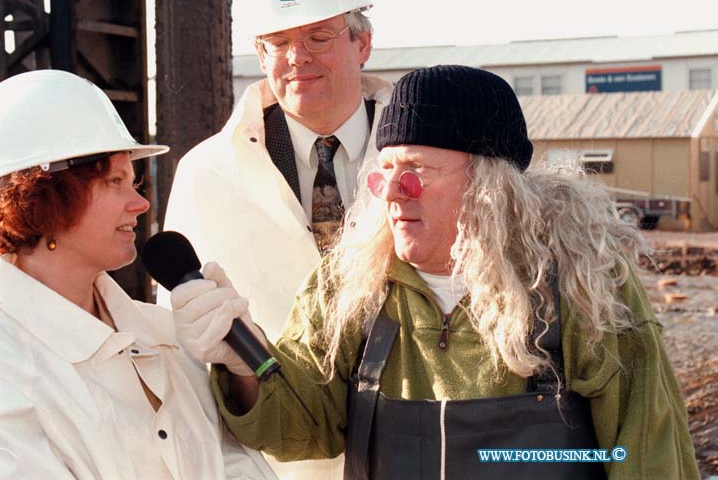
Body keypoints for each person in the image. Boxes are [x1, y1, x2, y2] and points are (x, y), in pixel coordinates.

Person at [171, 65, 699, 479]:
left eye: (417, 172)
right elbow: (302, 426)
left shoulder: (580, 283)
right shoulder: (352, 285)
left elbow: (648, 456)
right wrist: (241, 362)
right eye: (385, 173)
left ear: (491, 188)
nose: (393, 194)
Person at [0, 70, 275, 479]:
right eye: (115, 181)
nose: (139, 203)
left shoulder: (166, 337)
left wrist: (243, 377)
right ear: (46, 197)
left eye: (134, 181)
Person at [157, 0, 393, 339]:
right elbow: (180, 337)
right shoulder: (208, 174)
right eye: (278, 42)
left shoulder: (429, 158)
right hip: (265, 399)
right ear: (261, 56)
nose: (297, 57)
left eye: (318, 37)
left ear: (363, 43)